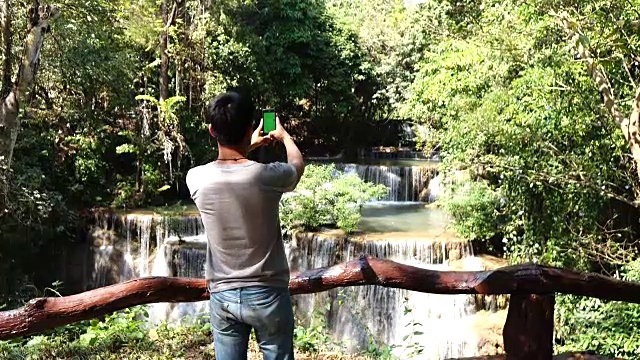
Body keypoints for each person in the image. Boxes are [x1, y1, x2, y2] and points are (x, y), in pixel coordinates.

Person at [185, 90, 304, 360]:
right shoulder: (267, 175)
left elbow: (228, 159)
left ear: (211, 130)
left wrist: (247, 144)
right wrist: (284, 137)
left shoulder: (196, 178)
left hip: (223, 294)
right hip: (269, 294)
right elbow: (297, 165)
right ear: (250, 127)